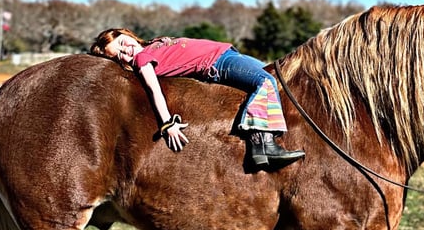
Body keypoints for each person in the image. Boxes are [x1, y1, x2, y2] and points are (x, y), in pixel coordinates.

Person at [90, 28, 305, 169]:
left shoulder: (150, 46)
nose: (125, 51)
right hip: (218, 63)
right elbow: (154, 90)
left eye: (121, 43)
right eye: (119, 56)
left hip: (227, 54)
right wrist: (167, 124)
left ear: (126, 34)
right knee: (265, 81)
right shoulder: (142, 59)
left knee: (281, 82)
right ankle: (262, 144)